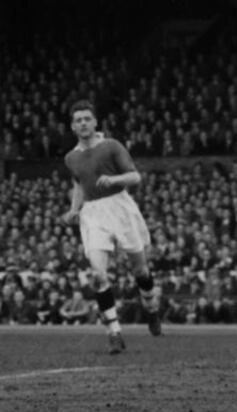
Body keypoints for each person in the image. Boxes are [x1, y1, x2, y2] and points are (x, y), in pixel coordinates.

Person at [61, 100, 162, 354]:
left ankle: (151, 309)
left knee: (141, 269)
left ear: (95, 122)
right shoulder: (71, 157)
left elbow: (135, 177)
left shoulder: (111, 146)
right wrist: (74, 209)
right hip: (93, 213)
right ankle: (114, 332)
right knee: (98, 274)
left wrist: (114, 179)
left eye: (87, 118)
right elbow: (79, 184)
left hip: (120, 206)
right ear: (73, 127)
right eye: (78, 120)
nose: (83, 123)